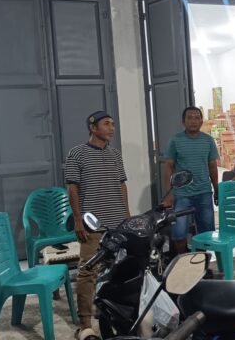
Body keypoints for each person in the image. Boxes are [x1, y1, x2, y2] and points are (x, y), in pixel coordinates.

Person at [65, 111, 130, 340]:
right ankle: (85, 324)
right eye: (106, 124)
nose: (112, 128)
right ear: (93, 128)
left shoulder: (115, 154)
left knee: (117, 269)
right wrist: (78, 220)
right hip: (92, 225)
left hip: (116, 223)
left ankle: (109, 310)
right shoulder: (77, 153)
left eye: (113, 123)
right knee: (88, 271)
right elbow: (72, 188)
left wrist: (127, 216)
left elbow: (121, 185)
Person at [162, 106, 219, 254]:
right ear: (183, 121)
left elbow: (212, 167)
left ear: (201, 121)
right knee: (179, 233)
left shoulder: (208, 140)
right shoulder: (175, 140)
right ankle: (183, 260)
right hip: (182, 194)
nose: (193, 121)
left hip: (204, 192)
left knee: (206, 233)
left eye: (197, 118)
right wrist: (168, 193)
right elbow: (168, 167)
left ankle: (200, 261)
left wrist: (216, 189)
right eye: (189, 118)